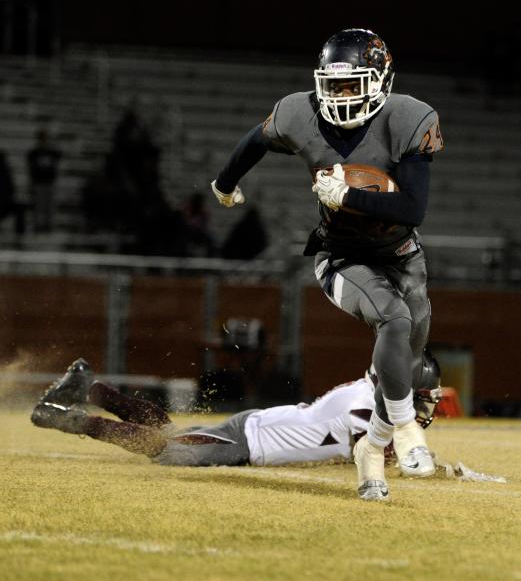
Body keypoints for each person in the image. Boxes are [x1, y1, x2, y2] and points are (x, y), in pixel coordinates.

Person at [209, 28, 444, 500]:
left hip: (402, 255)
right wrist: (224, 181)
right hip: (341, 256)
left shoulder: (408, 118)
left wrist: (348, 196)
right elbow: (256, 139)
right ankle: (405, 431)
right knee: (393, 321)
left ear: (381, 81)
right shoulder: (301, 113)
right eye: (332, 84)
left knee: (406, 362)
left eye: (351, 84)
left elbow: (413, 210)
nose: (339, 95)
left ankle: (371, 450)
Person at [30, 354, 441, 469]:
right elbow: (390, 459)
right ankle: (61, 417)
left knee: (167, 431)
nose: (423, 407)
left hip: (251, 433)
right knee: (161, 446)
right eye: (421, 397)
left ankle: (89, 386)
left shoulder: (364, 394)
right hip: (244, 442)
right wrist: (439, 469)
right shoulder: (363, 408)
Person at [26, 129, 62, 232]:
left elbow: (58, 157)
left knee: (49, 206)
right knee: (38, 206)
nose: (44, 141)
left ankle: (48, 225)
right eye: (42, 138)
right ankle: (38, 225)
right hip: (39, 182)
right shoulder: (34, 152)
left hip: (49, 182)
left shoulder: (51, 151)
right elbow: (31, 167)